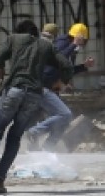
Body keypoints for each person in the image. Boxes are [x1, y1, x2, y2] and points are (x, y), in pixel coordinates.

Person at [0, 19, 73, 194]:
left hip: (14, 91)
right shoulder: (46, 46)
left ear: (20, 32)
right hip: (34, 95)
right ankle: (0, 180)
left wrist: (1, 75)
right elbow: (66, 65)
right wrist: (61, 83)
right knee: (15, 137)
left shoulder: (13, 39)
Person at [27, 22, 95, 151]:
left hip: (49, 88)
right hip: (42, 87)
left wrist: (84, 66)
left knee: (61, 121)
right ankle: (34, 132)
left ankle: (46, 149)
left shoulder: (71, 48)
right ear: (80, 37)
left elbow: (66, 68)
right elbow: (58, 59)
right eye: (83, 40)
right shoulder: (62, 43)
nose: (83, 43)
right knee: (65, 115)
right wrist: (74, 44)